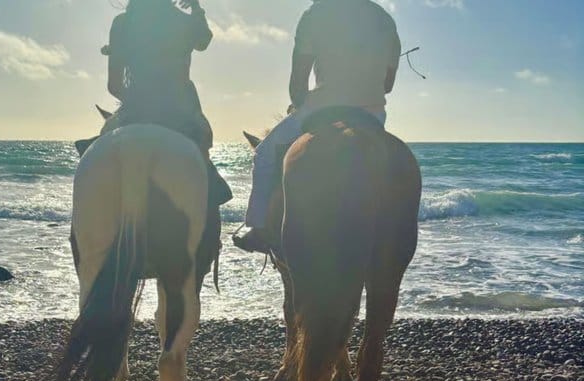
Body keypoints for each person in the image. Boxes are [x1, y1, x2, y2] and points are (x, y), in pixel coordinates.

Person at [233, 0, 401, 253]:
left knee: (264, 153)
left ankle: (258, 229)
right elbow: (388, 86)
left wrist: (298, 103)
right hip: (373, 116)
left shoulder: (316, 14)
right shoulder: (384, 20)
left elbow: (297, 85)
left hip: (322, 109)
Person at [103, 0, 232, 205]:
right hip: (182, 111)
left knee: (98, 151)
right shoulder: (183, 22)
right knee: (205, 160)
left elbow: (114, 85)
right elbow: (203, 41)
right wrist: (196, 7)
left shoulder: (122, 23)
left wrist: (139, 103)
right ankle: (208, 212)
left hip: (135, 112)